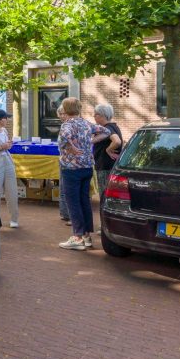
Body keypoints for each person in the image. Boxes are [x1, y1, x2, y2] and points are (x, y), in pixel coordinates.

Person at [57, 97, 111, 251]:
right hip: (87, 167)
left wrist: (71, 147)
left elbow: (63, 139)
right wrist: (90, 142)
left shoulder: (67, 125)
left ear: (66, 110)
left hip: (71, 168)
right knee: (84, 201)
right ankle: (87, 236)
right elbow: (106, 131)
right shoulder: (86, 123)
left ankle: (78, 237)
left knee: (73, 202)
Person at [92, 103, 123, 202]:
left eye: (96, 114)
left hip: (105, 167)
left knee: (105, 196)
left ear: (102, 115)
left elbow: (117, 141)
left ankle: (104, 216)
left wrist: (108, 149)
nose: (94, 116)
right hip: (110, 166)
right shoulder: (114, 127)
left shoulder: (107, 128)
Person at [55, 106, 70, 223]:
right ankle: (64, 213)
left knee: (67, 188)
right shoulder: (63, 125)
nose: (60, 116)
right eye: (59, 114)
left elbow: (62, 144)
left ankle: (69, 214)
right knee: (63, 188)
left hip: (68, 162)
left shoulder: (67, 126)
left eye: (62, 114)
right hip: (64, 160)